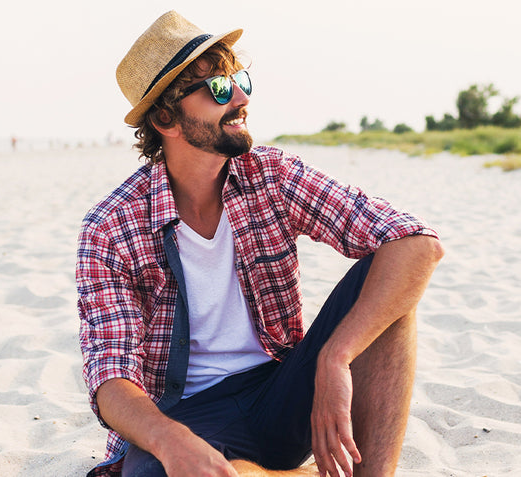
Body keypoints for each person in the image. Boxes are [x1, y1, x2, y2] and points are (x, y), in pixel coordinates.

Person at [77, 11, 443, 477]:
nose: (242, 98)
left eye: (240, 80)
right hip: (187, 414)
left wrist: (336, 357)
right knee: (150, 472)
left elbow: (416, 242)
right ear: (166, 119)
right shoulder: (112, 227)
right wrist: (172, 441)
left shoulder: (272, 175)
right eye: (219, 90)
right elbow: (110, 380)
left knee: (390, 283)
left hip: (284, 391)